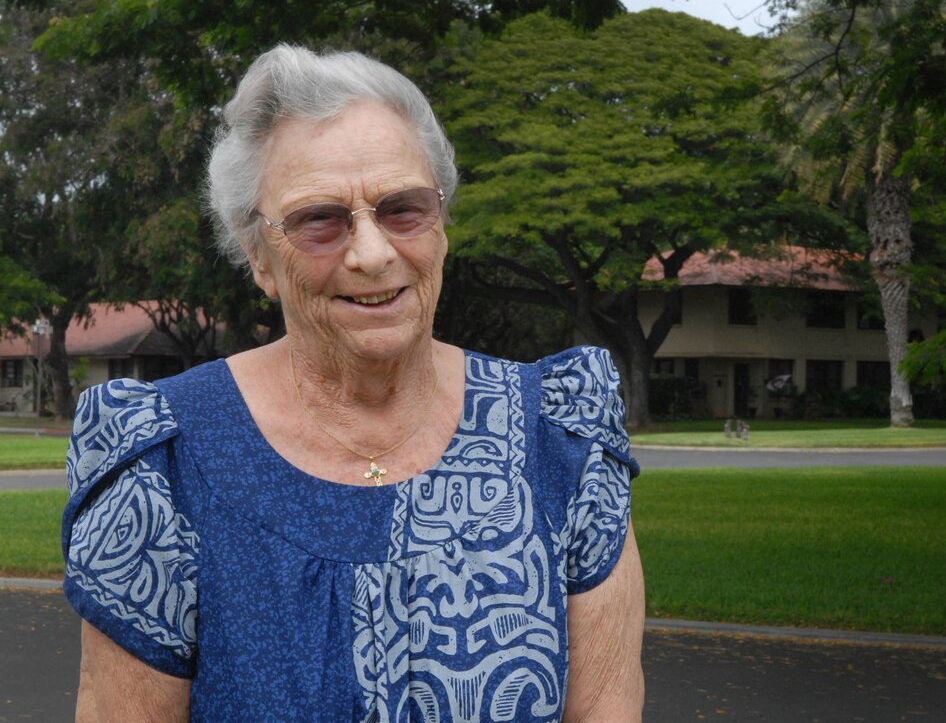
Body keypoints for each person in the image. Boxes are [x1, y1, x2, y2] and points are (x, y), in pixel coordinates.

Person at [61, 44, 644, 721]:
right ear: (258, 256)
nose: (372, 253)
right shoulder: (161, 464)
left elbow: (607, 704)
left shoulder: (561, 439)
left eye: (403, 209)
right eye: (320, 221)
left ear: (442, 226)